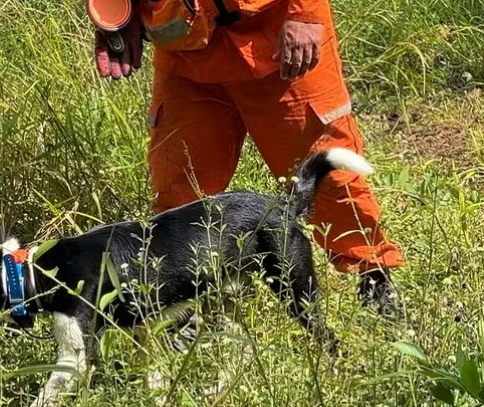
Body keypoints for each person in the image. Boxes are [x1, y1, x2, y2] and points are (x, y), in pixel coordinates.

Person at [94, 0, 403, 316]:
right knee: (178, 192)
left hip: (279, 36)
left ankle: (375, 285)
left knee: (330, 178)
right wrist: (116, 13)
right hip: (187, 53)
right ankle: (184, 319)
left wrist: (304, 13)